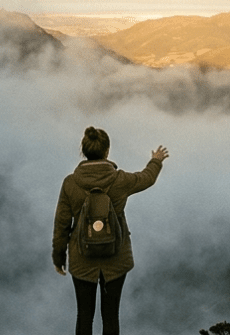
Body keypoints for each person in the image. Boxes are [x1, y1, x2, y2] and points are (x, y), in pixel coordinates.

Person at [52, 126, 169, 335]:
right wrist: (156, 160)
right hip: (116, 259)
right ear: (107, 151)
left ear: (84, 152)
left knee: (84, 316)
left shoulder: (70, 183)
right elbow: (147, 178)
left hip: (82, 259)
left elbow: (62, 225)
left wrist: (58, 257)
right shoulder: (120, 180)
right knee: (111, 317)